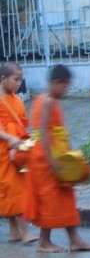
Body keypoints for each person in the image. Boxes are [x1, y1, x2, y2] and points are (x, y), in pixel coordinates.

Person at [24, 65, 90, 253]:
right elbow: (43, 133)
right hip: (47, 157)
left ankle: (74, 240)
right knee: (50, 200)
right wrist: (53, 161)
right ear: (56, 83)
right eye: (65, 87)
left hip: (56, 154)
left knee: (65, 199)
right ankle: (43, 242)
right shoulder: (47, 101)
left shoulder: (47, 100)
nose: (66, 91)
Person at [0, 62, 38, 244]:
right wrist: (9, 138)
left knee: (14, 188)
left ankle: (14, 231)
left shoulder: (16, 99)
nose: (18, 83)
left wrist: (25, 138)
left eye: (20, 80)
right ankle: (24, 232)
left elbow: (23, 121)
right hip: (4, 149)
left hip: (17, 149)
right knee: (12, 189)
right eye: (15, 79)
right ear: (3, 79)